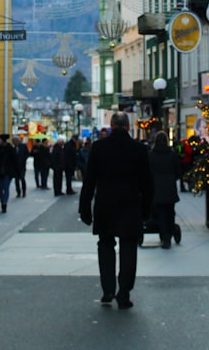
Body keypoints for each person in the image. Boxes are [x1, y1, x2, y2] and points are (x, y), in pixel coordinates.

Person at [79, 111, 154, 309]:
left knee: (105, 245)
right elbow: (147, 183)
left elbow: (89, 181)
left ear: (111, 126)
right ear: (128, 127)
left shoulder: (99, 148)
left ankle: (108, 289)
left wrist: (85, 208)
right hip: (130, 205)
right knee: (129, 247)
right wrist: (146, 210)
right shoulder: (138, 149)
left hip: (105, 205)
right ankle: (124, 292)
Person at [148, 131, 181, 249]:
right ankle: (170, 232)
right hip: (170, 187)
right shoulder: (172, 154)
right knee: (170, 212)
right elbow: (178, 171)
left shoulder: (151, 155)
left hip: (156, 188)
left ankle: (164, 236)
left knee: (160, 213)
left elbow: (148, 173)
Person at [0, 133, 17, 212]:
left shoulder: (10, 148)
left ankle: (4, 203)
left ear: (3, 140)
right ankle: (2, 200)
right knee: (0, 189)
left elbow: (15, 160)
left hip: (7, 172)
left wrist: (15, 171)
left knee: (6, 187)